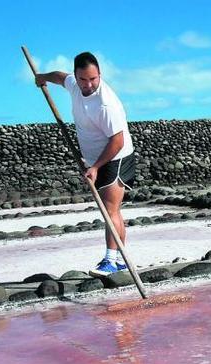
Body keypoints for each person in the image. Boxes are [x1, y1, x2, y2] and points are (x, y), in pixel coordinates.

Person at [34, 52, 136, 276]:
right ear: (77, 76)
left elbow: (117, 141)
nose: (89, 84)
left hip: (116, 156)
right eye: (83, 79)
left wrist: (96, 167)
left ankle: (111, 260)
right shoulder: (73, 83)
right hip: (95, 157)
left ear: (100, 75)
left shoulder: (105, 105)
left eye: (93, 79)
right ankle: (119, 260)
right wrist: (42, 77)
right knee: (113, 211)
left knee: (110, 210)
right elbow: (60, 77)